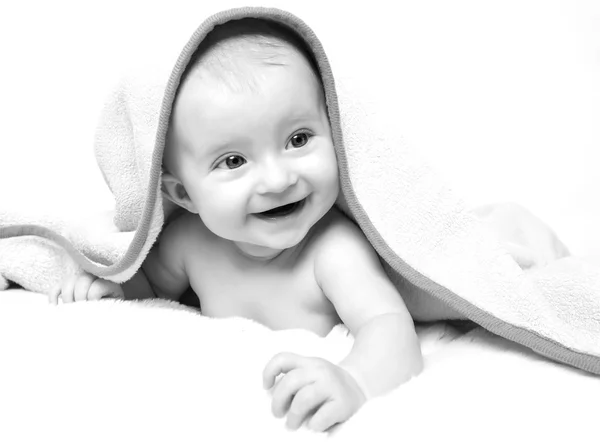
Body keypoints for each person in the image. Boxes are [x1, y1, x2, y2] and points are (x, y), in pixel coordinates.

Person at [53, 18, 418, 431]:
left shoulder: (333, 250)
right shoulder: (189, 244)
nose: (279, 180)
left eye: (298, 139)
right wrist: (115, 285)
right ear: (184, 195)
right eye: (233, 161)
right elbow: (150, 287)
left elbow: (388, 326)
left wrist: (354, 380)